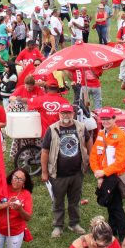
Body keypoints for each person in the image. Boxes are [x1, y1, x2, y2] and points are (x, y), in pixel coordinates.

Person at [41, 102, 92, 238]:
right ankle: (58, 226)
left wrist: (90, 158)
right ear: (59, 114)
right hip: (58, 174)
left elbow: (88, 140)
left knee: (74, 200)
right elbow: (45, 151)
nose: (66, 115)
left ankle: (74, 223)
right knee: (58, 201)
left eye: (68, 113)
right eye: (63, 113)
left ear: (73, 113)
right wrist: (44, 172)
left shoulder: (80, 127)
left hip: (77, 172)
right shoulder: (52, 129)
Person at [90, 107, 125, 241]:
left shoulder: (121, 137)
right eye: (103, 119)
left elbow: (120, 163)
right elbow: (94, 155)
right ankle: (113, 233)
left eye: (108, 119)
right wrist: (99, 173)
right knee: (110, 205)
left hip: (116, 177)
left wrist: (103, 172)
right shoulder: (101, 134)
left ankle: (123, 238)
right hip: (105, 175)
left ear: (114, 119)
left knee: (116, 207)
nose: (105, 121)